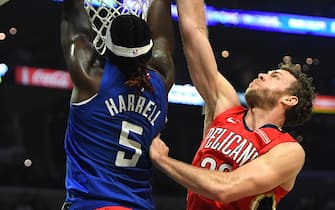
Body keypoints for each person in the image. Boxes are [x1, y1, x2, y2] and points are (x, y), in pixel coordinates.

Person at [149, 0, 316, 209]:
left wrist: (162, 160)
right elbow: (195, 32)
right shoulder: (226, 106)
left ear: (289, 100)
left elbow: (226, 189)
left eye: (274, 76)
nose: (262, 74)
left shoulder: (287, 151)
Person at [60, 0, 175, 208]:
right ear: (149, 53)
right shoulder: (161, 80)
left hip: (92, 204)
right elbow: (162, 37)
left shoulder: (90, 76)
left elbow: (74, 21)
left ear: (107, 47)